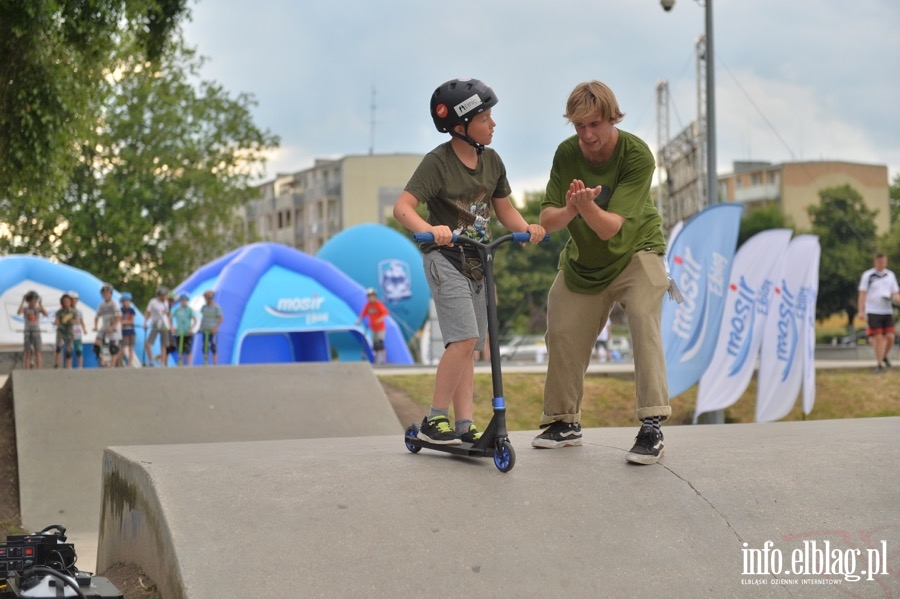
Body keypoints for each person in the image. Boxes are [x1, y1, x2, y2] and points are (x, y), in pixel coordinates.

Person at [392, 77, 545, 445]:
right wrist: (431, 229)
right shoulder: (438, 163)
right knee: (464, 339)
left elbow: (504, 208)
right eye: (485, 117)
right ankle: (435, 418)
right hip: (445, 258)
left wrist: (528, 229)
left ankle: (464, 424)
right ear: (461, 125)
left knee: (472, 346)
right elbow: (403, 208)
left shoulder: (492, 162)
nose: (493, 124)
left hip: (479, 261)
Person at [532, 80, 671, 465]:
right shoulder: (566, 155)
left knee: (643, 319)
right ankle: (563, 421)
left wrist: (583, 207)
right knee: (560, 329)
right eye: (579, 127)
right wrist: (573, 208)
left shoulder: (636, 155)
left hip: (637, 251)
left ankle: (652, 424)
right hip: (586, 260)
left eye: (595, 124)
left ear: (612, 118)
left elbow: (611, 227)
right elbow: (548, 219)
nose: (587, 135)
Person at [857, 252, 900, 373]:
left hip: (886, 310)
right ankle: (879, 364)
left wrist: (896, 298)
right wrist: (861, 311)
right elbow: (862, 293)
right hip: (873, 310)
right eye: (879, 261)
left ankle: (883, 356)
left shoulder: (890, 275)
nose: (882, 264)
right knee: (878, 338)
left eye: (884, 261)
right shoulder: (868, 275)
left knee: (890, 337)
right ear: (875, 262)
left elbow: (895, 292)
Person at [356, 288, 390, 364]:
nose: (371, 298)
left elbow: (385, 313)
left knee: (380, 344)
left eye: (372, 296)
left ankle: (384, 361)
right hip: (373, 328)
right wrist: (359, 321)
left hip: (380, 328)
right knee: (375, 346)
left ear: (375, 296)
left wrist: (379, 320)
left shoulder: (378, 304)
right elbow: (363, 314)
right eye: (369, 297)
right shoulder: (368, 305)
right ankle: (376, 361)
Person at [93, 283, 123, 368]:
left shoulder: (114, 303)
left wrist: (113, 327)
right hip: (105, 326)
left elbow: (118, 316)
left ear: (110, 293)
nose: (105, 294)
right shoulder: (101, 304)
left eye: (107, 293)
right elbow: (97, 316)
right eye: (103, 293)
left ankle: (112, 366)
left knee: (113, 347)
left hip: (114, 327)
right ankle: (102, 361)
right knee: (96, 345)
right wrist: (95, 326)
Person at [18, 291, 47, 369]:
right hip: (27, 332)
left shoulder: (38, 309)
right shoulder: (25, 309)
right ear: (28, 301)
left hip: (36, 332)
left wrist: (41, 304)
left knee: (38, 351)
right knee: (27, 352)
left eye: (34, 301)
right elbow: (18, 312)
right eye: (31, 301)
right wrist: (22, 301)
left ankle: (39, 370)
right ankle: (27, 370)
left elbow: (46, 314)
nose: (33, 303)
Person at [144, 286, 171, 367]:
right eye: (163, 295)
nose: (164, 297)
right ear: (159, 295)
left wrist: (170, 325)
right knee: (148, 343)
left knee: (164, 345)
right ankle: (151, 360)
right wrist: (145, 322)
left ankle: (162, 363)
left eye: (165, 295)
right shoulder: (153, 302)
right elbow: (148, 312)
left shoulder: (166, 302)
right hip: (155, 324)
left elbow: (167, 314)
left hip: (164, 325)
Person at [170, 293, 196, 366]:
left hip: (187, 332)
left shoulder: (190, 310)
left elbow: (195, 320)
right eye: (182, 300)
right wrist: (172, 327)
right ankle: (180, 363)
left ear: (187, 301)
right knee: (179, 348)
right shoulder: (177, 310)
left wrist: (191, 328)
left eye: (185, 300)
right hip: (179, 332)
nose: (183, 302)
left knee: (187, 348)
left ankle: (189, 364)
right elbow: (170, 318)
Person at [198, 290, 223, 365]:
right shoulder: (204, 307)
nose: (207, 300)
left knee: (213, 346)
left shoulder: (216, 308)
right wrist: (200, 327)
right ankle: (205, 361)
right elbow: (203, 318)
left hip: (213, 331)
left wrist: (216, 328)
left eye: (208, 298)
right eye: (206, 298)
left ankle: (215, 362)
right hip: (205, 330)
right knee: (205, 346)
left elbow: (221, 318)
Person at [54, 294, 78, 369]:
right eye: (65, 301)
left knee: (69, 349)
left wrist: (72, 321)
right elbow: (57, 319)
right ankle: (56, 364)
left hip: (69, 331)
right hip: (61, 330)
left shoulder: (73, 311)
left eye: (68, 301)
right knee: (58, 347)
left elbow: (77, 320)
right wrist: (56, 322)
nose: (66, 302)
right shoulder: (59, 311)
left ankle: (68, 366)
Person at [68, 291, 87, 368]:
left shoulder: (79, 311)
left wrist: (84, 329)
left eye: (75, 300)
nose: (74, 301)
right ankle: (69, 366)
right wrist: (73, 321)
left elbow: (81, 321)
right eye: (72, 300)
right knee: (69, 350)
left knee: (79, 350)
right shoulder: (67, 311)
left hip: (77, 333)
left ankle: (80, 365)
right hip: (69, 333)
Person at [120, 292, 137, 367]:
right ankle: (119, 363)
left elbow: (132, 321)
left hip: (131, 332)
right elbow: (119, 321)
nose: (127, 302)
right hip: (123, 332)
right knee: (122, 349)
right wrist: (125, 322)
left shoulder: (132, 310)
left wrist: (123, 322)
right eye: (125, 301)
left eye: (128, 301)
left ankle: (129, 364)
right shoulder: (120, 310)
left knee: (131, 348)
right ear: (122, 301)